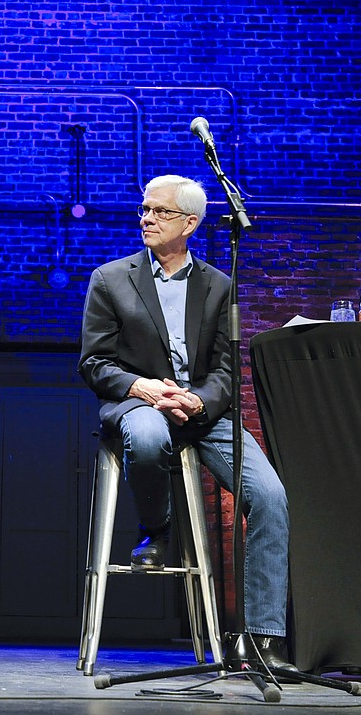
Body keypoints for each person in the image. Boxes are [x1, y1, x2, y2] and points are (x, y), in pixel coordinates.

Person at [77, 174, 295, 672]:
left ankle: (263, 640)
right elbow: (94, 363)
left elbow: (224, 369)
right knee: (151, 437)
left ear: (190, 224)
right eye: (144, 209)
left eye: (159, 212)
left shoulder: (219, 286)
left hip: (200, 414)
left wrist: (196, 402)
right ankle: (157, 529)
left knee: (270, 496)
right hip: (138, 404)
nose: (146, 218)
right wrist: (144, 388)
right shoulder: (110, 279)